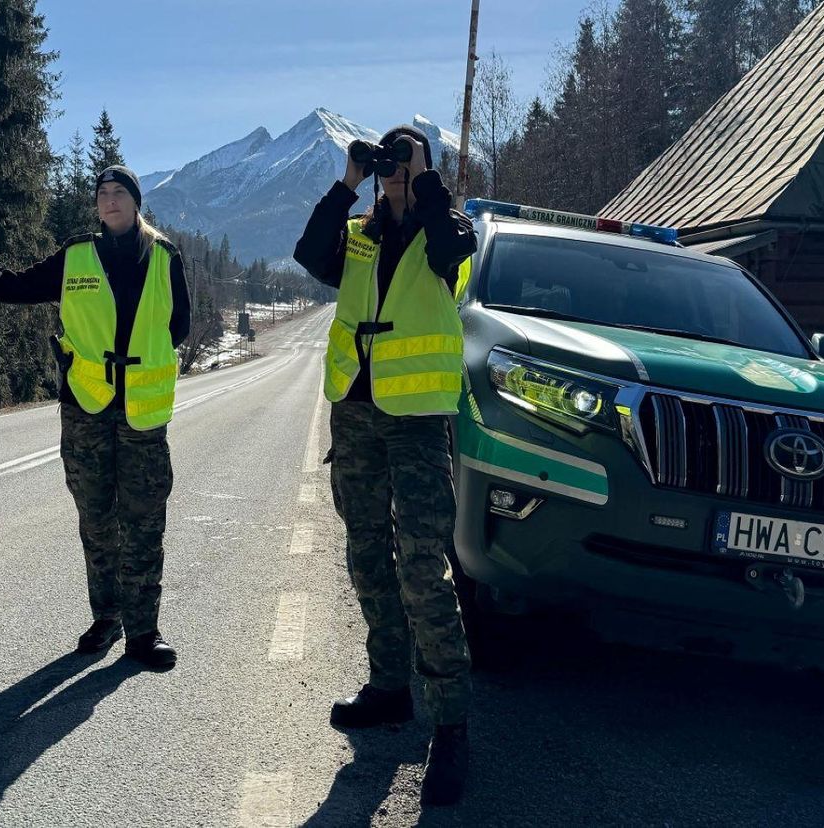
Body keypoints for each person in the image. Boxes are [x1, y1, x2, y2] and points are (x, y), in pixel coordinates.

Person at [0, 165, 190, 670]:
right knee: (95, 520)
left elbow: (180, 325)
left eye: (119, 193)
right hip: (86, 408)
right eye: (102, 194)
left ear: (136, 203)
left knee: (143, 522)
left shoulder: (164, 256)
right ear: (96, 205)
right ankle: (106, 617)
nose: (110, 201)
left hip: (143, 413)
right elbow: (14, 286)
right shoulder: (75, 256)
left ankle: (144, 633)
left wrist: (138, 366)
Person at [293, 125, 476, 807]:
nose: (393, 170)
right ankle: (389, 688)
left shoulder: (445, 227)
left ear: (427, 166)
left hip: (419, 419)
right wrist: (346, 184)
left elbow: (454, 251)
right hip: (359, 412)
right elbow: (311, 254)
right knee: (366, 552)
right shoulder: (362, 233)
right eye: (388, 162)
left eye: (407, 158)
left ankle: (450, 726)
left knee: (422, 566)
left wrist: (423, 178)